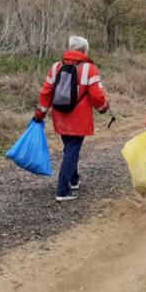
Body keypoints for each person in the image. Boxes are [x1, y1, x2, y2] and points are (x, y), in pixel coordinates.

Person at [34, 36, 109, 202]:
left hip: (60, 116)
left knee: (70, 147)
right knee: (72, 150)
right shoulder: (90, 69)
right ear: (84, 51)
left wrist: (40, 113)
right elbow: (97, 95)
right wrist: (104, 108)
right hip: (79, 117)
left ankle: (74, 180)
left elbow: (46, 92)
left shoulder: (55, 67)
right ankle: (63, 189)